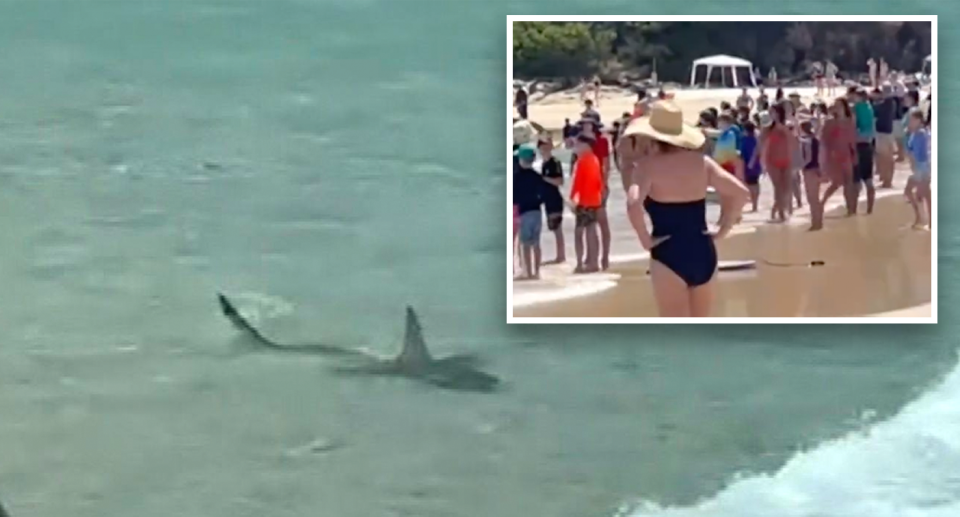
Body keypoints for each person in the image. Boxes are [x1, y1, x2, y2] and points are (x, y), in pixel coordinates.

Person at [619, 101, 748, 317]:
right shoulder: (702, 162)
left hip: (668, 253)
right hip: (703, 251)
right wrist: (724, 228)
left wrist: (645, 239)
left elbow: (633, 204)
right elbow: (741, 192)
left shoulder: (647, 167)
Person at [579, 116, 612, 270]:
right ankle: (590, 257)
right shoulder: (581, 141)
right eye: (583, 124)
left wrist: (604, 186)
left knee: (601, 222)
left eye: (587, 124)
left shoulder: (602, 141)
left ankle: (604, 257)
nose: (585, 126)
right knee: (588, 223)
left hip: (598, 185)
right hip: (586, 187)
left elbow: (606, 165)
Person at [570, 134, 603, 273]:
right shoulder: (595, 160)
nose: (576, 148)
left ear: (586, 146)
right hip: (594, 200)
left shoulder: (582, 161)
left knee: (579, 233)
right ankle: (593, 262)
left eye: (578, 145)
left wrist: (572, 199)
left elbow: (577, 184)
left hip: (584, 201)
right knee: (591, 230)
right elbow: (599, 182)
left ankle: (579, 263)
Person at [819, 97, 857, 218]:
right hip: (834, 156)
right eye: (836, 106)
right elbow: (824, 141)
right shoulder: (830, 122)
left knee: (849, 183)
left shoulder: (850, 121)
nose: (838, 108)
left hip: (847, 154)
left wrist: (854, 154)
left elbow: (852, 139)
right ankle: (822, 202)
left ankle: (850, 209)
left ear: (845, 107)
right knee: (837, 183)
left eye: (840, 106)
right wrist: (825, 159)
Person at [512, 144, 544, 280]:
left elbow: (514, 197)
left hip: (524, 212)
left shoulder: (516, 177)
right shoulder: (537, 176)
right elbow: (543, 194)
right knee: (536, 243)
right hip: (537, 211)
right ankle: (537, 272)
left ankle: (528, 272)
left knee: (525, 244)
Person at [760, 102, 795, 222]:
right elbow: (761, 143)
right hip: (772, 161)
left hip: (787, 159)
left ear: (779, 113)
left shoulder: (787, 125)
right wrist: (759, 160)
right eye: (769, 112)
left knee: (787, 188)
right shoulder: (767, 127)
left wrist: (783, 128)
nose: (771, 114)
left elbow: (793, 139)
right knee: (778, 187)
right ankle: (781, 214)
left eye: (773, 112)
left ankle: (775, 210)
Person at [538, 138, 566, 264]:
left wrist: (543, 178)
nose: (544, 149)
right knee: (553, 227)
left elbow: (559, 181)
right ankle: (559, 255)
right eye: (541, 147)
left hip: (555, 199)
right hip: (547, 200)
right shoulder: (543, 164)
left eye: (546, 146)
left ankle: (561, 256)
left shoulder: (555, 162)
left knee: (557, 228)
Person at [904, 108, 932, 228]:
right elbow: (909, 150)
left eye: (912, 119)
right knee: (911, 192)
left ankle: (928, 221)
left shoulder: (921, 134)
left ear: (919, 120)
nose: (910, 122)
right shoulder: (914, 133)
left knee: (925, 195)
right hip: (919, 168)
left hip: (923, 168)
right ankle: (921, 218)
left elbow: (923, 154)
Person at [852, 88, 877, 214]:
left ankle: (853, 210)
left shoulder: (856, 108)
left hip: (858, 143)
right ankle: (870, 209)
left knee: (856, 180)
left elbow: (854, 124)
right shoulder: (869, 107)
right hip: (868, 143)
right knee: (868, 179)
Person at [872, 84, 898, 188]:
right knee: (888, 158)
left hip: (882, 133)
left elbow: (875, 111)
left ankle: (887, 180)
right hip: (889, 132)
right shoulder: (892, 103)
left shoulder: (885, 104)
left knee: (885, 158)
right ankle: (887, 179)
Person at [799, 120, 823, 230]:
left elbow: (808, 158)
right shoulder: (815, 139)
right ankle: (818, 222)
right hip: (817, 169)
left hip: (810, 170)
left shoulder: (806, 141)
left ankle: (816, 223)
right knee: (815, 198)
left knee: (812, 198)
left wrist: (801, 166)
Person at [741, 120, 762, 212]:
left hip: (752, 164)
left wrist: (751, 162)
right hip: (748, 163)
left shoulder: (754, 139)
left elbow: (756, 151)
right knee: (751, 184)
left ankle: (755, 205)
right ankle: (753, 204)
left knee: (753, 184)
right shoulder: (746, 138)